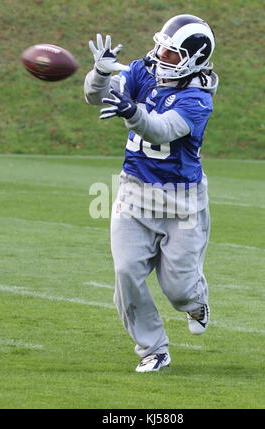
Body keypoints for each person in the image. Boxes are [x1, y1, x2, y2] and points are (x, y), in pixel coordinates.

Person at [84, 14, 218, 372]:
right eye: (160, 45)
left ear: (193, 59)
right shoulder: (143, 71)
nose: (160, 55)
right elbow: (93, 96)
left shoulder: (197, 99)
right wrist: (100, 73)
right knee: (126, 272)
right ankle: (153, 348)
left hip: (182, 201)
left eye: (171, 53)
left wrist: (131, 111)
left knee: (179, 291)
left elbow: (161, 130)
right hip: (135, 192)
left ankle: (196, 301)